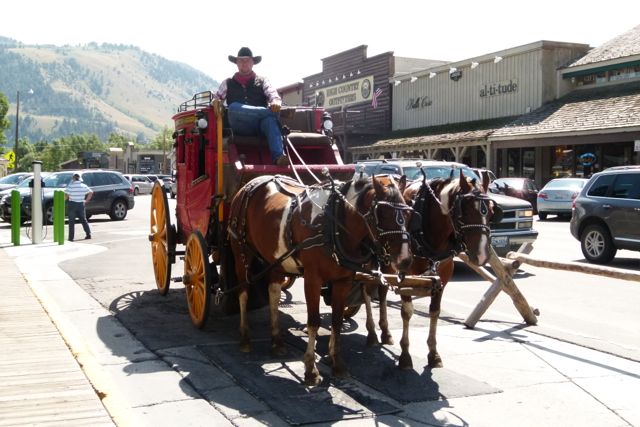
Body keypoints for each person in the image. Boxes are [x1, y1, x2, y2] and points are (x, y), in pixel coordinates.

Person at [213, 47, 289, 166]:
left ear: (253, 63)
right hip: (239, 125)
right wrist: (216, 102)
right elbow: (217, 98)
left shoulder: (263, 81)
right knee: (233, 108)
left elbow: (273, 95)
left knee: (269, 121)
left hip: (260, 126)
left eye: (247, 60)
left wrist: (275, 102)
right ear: (236, 63)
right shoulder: (227, 83)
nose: (244, 63)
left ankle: (279, 157)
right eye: (241, 60)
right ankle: (272, 113)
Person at [65, 173, 93, 241]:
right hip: (81, 204)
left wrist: (64, 200)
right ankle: (88, 234)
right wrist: (86, 201)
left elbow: (66, 195)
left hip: (72, 204)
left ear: (73, 178)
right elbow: (91, 192)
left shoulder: (70, 186)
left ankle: (71, 238)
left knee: (71, 222)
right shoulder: (83, 186)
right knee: (83, 220)